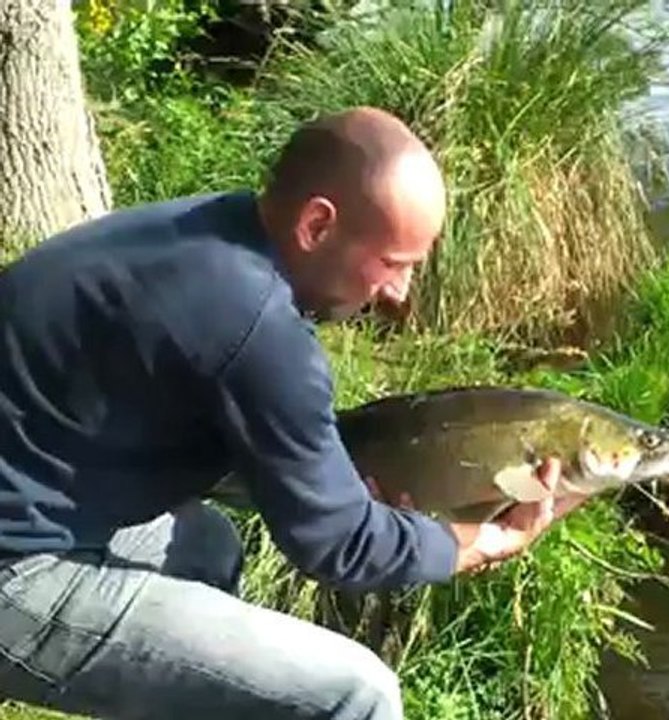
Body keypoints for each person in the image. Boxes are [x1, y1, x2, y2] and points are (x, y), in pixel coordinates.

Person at [0, 106, 586, 719]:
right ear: (316, 224)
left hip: (36, 495)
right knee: (357, 695)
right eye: (393, 263)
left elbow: (281, 469)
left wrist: (346, 499)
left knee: (204, 548)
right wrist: (487, 539)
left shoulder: (214, 230)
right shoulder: (256, 328)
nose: (399, 295)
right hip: (15, 562)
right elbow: (337, 545)